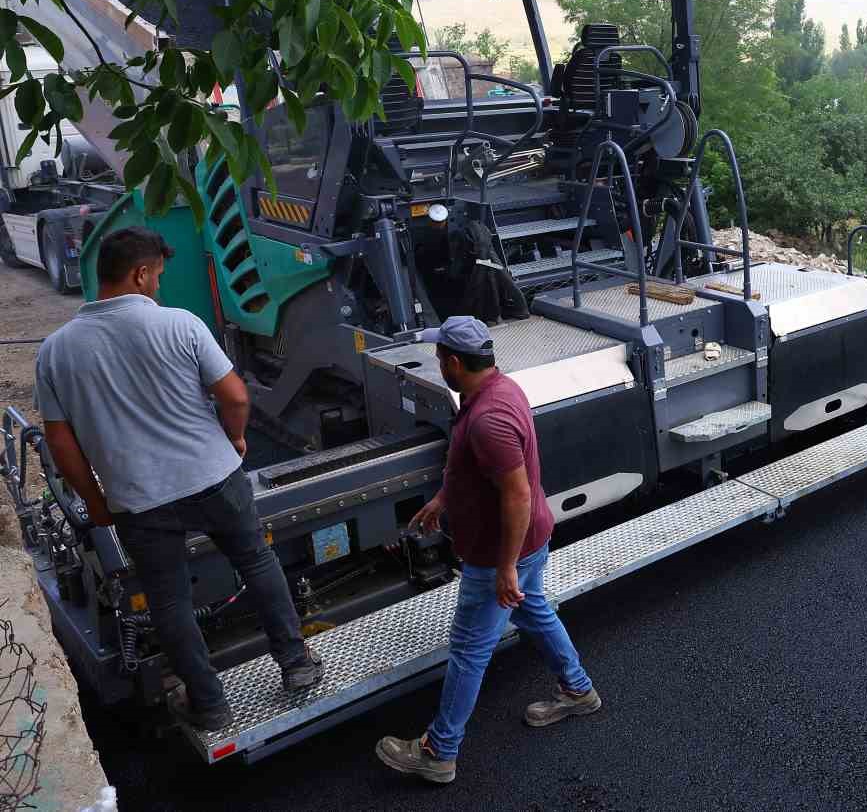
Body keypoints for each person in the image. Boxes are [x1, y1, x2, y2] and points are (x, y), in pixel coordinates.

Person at [34, 226, 322, 731]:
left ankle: (210, 704)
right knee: (256, 562)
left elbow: (61, 445)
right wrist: (233, 440)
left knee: (169, 602)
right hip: (214, 477)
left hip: (139, 502)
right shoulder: (180, 325)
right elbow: (234, 396)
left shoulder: (56, 352)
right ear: (140, 274)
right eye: (158, 276)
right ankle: (296, 665)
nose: (159, 287)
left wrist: (97, 503)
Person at [377, 316, 599, 785]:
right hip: (529, 541)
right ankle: (577, 689)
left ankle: (439, 751)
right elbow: (482, 476)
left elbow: (515, 495)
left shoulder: (488, 419)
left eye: (440, 357)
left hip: (502, 552)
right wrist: (445, 498)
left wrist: (504, 568)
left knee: (469, 651)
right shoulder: (498, 390)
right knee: (535, 610)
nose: (438, 363)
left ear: (454, 363)